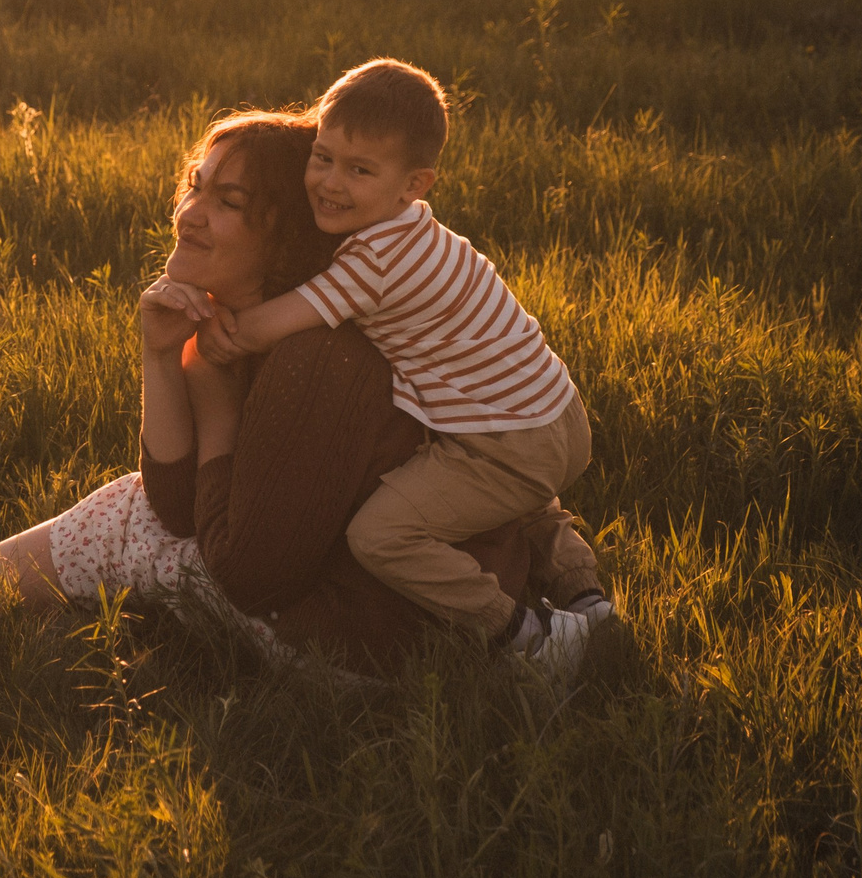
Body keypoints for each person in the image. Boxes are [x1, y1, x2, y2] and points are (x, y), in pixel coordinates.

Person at [0, 109, 611, 680]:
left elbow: (247, 569)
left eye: (229, 200)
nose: (190, 213)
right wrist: (167, 363)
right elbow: (178, 500)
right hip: (364, 600)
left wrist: (219, 420)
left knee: (129, 522)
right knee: (138, 514)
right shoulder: (234, 336)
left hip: (381, 647)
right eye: (195, 185)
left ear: (285, 238)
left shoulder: (318, 361)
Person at [196, 60, 610, 657]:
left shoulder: (376, 262)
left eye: (359, 170)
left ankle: (526, 637)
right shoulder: (419, 231)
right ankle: (586, 601)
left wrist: (209, 319)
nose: (330, 183)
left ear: (414, 184)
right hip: (548, 413)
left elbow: (270, 326)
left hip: (511, 438)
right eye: (323, 156)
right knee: (517, 498)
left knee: (383, 535)